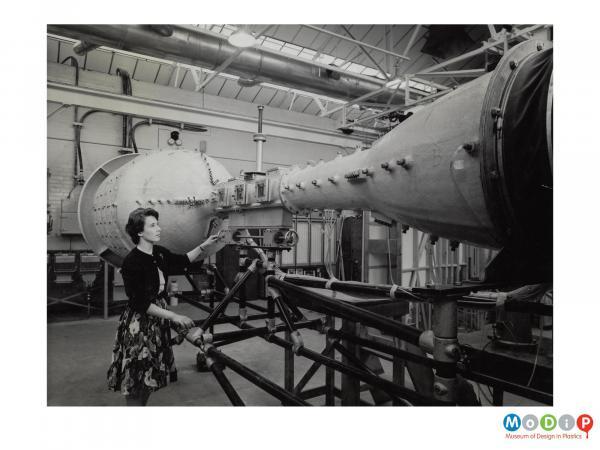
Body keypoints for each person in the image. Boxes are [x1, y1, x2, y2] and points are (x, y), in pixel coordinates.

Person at [107, 207, 221, 406]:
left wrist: (204, 245)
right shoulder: (132, 262)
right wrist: (174, 317)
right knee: (136, 377)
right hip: (139, 325)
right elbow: (139, 303)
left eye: (157, 224)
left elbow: (183, 260)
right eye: (153, 225)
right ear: (140, 232)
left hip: (157, 318)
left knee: (149, 375)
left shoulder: (158, 253)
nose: (159, 229)